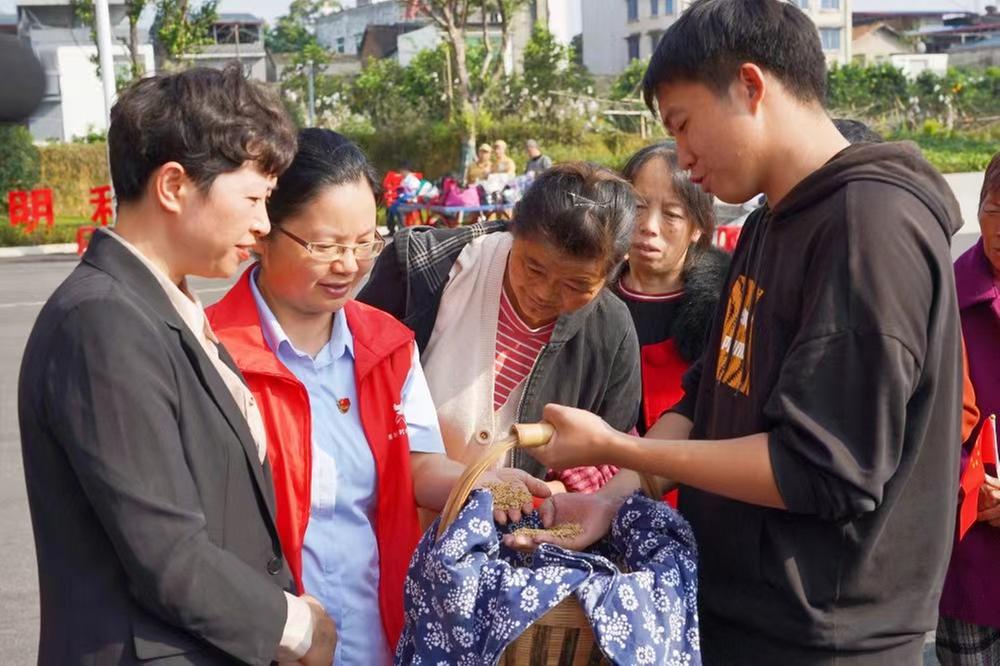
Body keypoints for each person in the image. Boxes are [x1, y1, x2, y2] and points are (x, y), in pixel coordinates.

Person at [510, 1, 965, 663]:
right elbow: (707, 398)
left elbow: (819, 469)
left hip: (822, 637)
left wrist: (618, 447)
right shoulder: (767, 226)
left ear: (751, 87)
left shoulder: (868, 227)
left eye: (685, 124)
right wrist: (609, 497)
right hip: (740, 613)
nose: (683, 157)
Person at [18, 66, 337, 664]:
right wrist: (297, 626)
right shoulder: (103, 323)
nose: (264, 224)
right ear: (173, 185)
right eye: (253, 199)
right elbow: (166, 552)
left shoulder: (163, 309)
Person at [206, 129, 548, 665]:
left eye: (365, 242)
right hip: (266, 641)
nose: (350, 264)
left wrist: (481, 482)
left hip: (376, 633)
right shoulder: (212, 353)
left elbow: (414, 466)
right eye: (326, 246)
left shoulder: (387, 346)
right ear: (264, 232)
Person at [358, 162, 641, 493]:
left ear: (614, 268)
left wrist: (553, 493)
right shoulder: (423, 270)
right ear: (513, 227)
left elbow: (615, 453)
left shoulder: (611, 330)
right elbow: (350, 389)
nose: (543, 294)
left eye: (577, 285)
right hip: (393, 525)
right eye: (533, 268)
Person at [617, 142, 729, 436]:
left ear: (697, 227)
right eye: (638, 206)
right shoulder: (586, 298)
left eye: (672, 214)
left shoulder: (722, 311)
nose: (649, 226)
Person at [937, 152, 1000, 665]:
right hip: (971, 539)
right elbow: (923, 417)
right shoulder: (944, 293)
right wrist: (970, 487)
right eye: (993, 209)